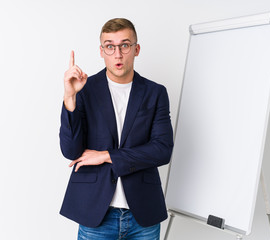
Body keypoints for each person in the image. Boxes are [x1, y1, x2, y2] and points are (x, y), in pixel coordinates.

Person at [59, 18, 174, 240]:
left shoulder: (155, 92)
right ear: (101, 51)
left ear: (136, 49)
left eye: (125, 45)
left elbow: (162, 150)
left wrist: (106, 156)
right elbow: (71, 151)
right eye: (110, 46)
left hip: (143, 214)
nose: (118, 54)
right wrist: (70, 97)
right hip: (96, 213)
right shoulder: (83, 89)